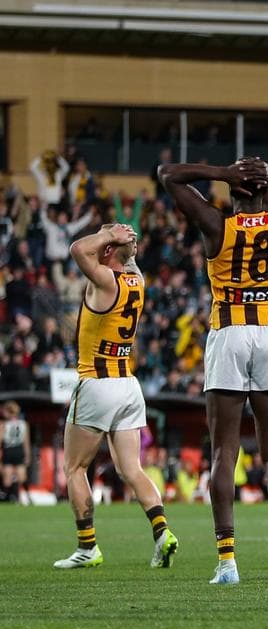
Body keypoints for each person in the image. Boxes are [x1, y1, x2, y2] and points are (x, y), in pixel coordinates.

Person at [161, 156, 268, 585]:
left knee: (224, 452)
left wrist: (220, 172)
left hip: (229, 333)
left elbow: (169, 176)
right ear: (266, 192)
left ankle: (227, 562)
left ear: (233, 192)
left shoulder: (217, 225)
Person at [53, 224, 179, 570]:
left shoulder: (105, 282)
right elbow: (126, 258)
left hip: (97, 383)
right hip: (127, 385)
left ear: (108, 253)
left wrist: (109, 234)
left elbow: (79, 249)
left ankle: (88, 546)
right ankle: (162, 532)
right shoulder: (137, 282)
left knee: (75, 467)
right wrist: (123, 240)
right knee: (131, 469)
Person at [1, 401, 31, 504]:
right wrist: (27, 455)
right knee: (22, 477)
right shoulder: (23, 424)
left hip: (9, 450)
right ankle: (27, 497)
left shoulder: (4, 424)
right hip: (19, 450)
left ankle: (7, 498)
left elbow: (0, 440)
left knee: (7, 479)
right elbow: (26, 442)